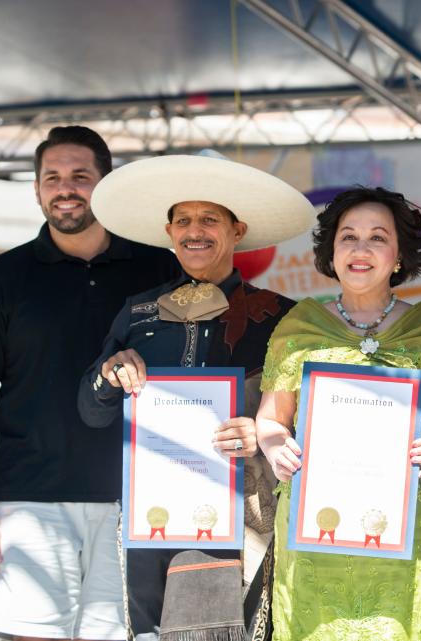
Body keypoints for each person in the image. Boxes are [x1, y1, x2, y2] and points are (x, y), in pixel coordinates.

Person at [0, 126, 180, 641]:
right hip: (29, 500)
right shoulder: (0, 278)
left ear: (106, 184)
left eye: (80, 176)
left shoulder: (161, 269)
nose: (65, 188)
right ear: (37, 189)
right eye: (52, 178)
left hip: (135, 501)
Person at [76, 152, 315, 640]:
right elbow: (90, 408)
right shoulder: (138, 313)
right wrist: (111, 372)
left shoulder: (280, 317)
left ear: (237, 229)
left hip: (241, 513)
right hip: (152, 513)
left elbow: (309, 417)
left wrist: (266, 430)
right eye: (183, 219)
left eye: (210, 218)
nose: (194, 230)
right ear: (169, 233)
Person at [255, 186, 421, 640]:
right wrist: (274, 445)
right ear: (331, 251)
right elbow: (270, 420)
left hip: (401, 528)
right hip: (314, 527)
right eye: (348, 237)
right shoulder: (299, 328)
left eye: (377, 238)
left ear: (399, 254)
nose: (360, 250)